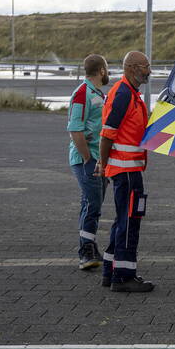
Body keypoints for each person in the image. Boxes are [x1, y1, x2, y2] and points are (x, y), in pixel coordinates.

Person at [95, 51, 154, 293]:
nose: (149, 71)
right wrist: (103, 163)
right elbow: (107, 132)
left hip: (127, 169)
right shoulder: (123, 94)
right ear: (131, 67)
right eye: (145, 66)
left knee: (122, 221)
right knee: (130, 222)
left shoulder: (130, 93)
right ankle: (124, 277)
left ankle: (110, 272)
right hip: (126, 171)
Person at [67, 54, 109, 270]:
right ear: (101, 70)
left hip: (98, 159)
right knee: (92, 204)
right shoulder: (83, 93)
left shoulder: (96, 94)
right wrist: (88, 160)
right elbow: (75, 129)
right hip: (88, 159)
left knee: (92, 204)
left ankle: (90, 247)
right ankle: (85, 252)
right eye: (107, 69)